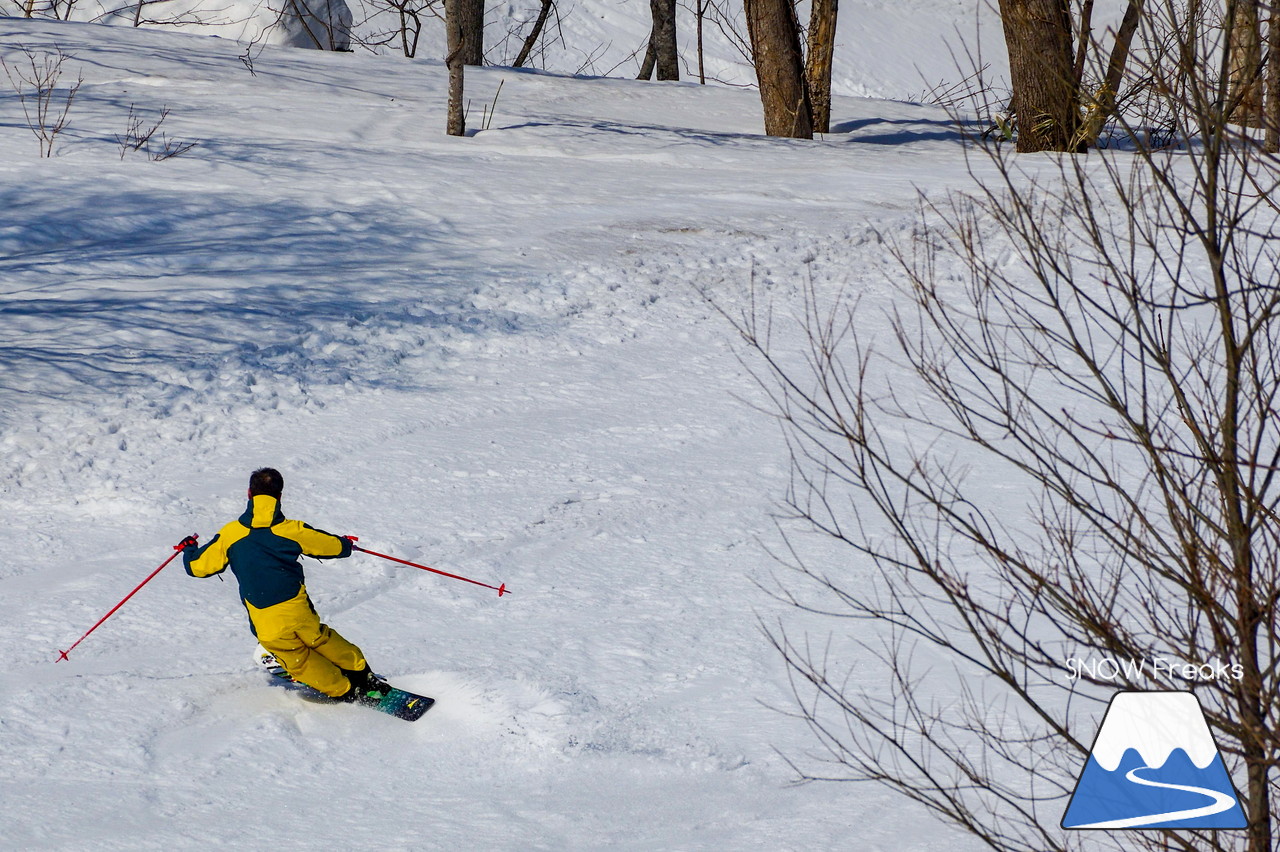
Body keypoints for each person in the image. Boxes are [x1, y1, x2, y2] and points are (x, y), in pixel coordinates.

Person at [179, 467, 389, 704]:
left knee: (297, 658)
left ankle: (345, 690)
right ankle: (363, 676)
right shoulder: (292, 529)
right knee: (320, 639)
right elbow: (331, 546)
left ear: (249, 493)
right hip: (297, 609)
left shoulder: (231, 534)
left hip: (266, 619)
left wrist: (188, 549)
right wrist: (345, 544)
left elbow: (197, 567)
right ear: (279, 496)